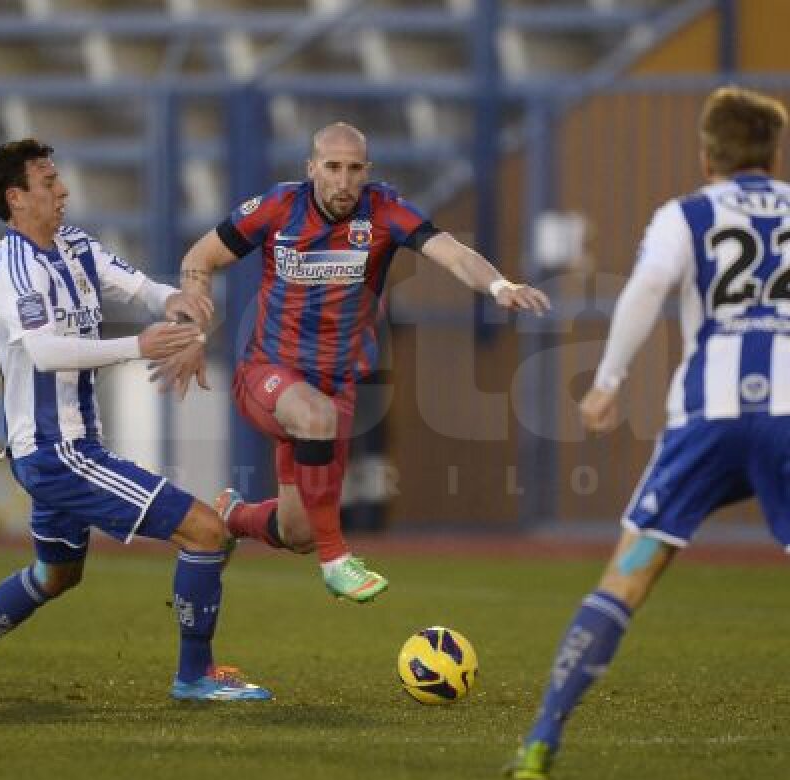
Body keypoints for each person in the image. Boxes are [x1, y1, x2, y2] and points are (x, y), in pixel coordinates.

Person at [0, 138, 271, 701]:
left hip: (62, 447)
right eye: (48, 182)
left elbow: (135, 284)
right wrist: (140, 345)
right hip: (58, 451)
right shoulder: (15, 271)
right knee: (205, 530)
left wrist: (177, 300)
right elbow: (47, 352)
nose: (63, 191)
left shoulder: (73, 245)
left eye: (59, 180)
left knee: (56, 575)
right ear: (17, 198)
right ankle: (194, 676)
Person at [505, 86, 790, 780]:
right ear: (774, 152)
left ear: (706, 155)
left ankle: (542, 738)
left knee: (629, 574)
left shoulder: (686, 213)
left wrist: (607, 379)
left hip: (705, 420)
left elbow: (646, 288)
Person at [162, 122, 550, 602]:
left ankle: (232, 516)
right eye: (332, 167)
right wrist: (192, 329)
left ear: (367, 171)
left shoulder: (384, 210)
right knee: (313, 417)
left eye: (354, 169)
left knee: (297, 531)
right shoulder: (278, 208)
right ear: (311, 169)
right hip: (268, 374)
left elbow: (451, 253)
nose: (343, 181)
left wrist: (499, 286)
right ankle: (337, 559)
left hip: (336, 385)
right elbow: (200, 256)